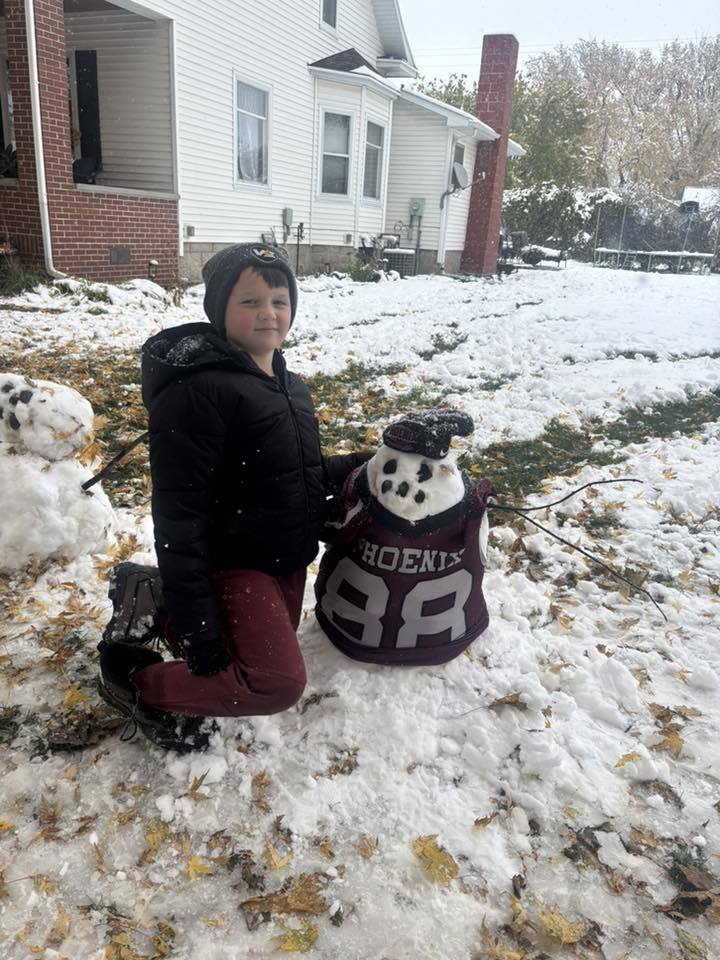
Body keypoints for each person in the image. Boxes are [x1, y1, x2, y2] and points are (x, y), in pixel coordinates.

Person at [97, 244, 369, 751]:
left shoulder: (289, 384)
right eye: (249, 302)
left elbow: (299, 473)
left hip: (283, 557)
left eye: (279, 299)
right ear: (219, 309)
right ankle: (133, 682)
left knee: (254, 652)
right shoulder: (197, 394)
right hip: (234, 561)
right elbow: (180, 514)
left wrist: (377, 458)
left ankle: (155, 599)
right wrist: (200, 628)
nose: (269, 313)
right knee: (274, 681)